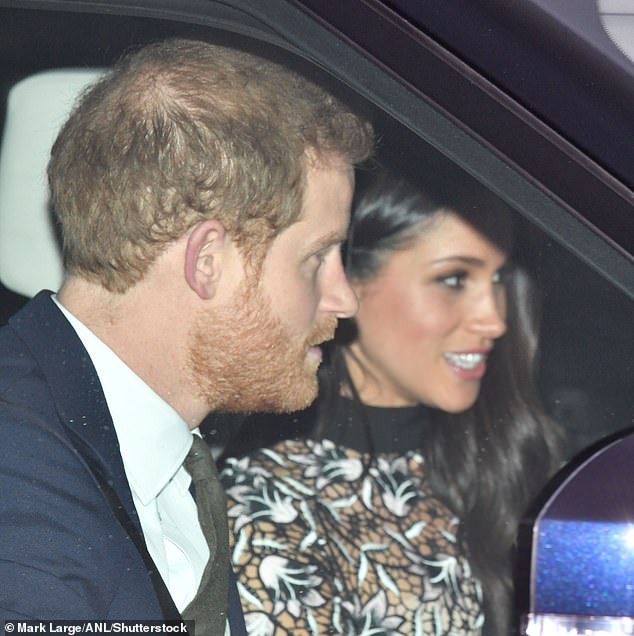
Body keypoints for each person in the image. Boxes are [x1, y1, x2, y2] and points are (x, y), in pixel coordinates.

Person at [0, 37, 373, 634]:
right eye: (318, 257)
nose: (344, 299)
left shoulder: (159, 452)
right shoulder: (18, 493)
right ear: (208, 261)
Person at [220, 169, 564, 636]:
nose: (495, 319)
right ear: (349, 283)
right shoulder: (269, 506)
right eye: (454, 279)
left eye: (499, 277)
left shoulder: (502, 453)